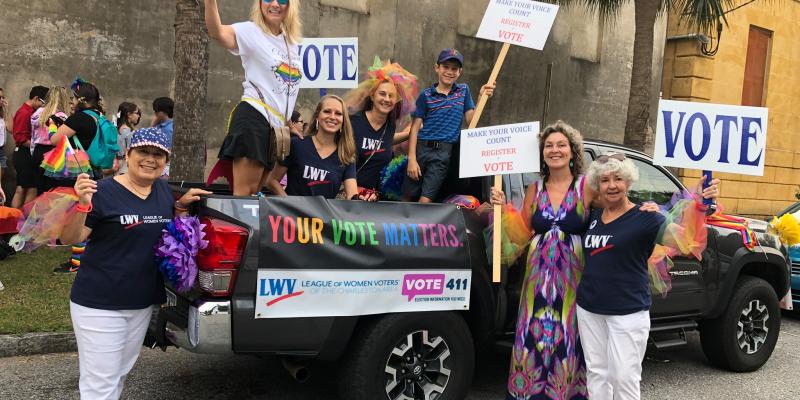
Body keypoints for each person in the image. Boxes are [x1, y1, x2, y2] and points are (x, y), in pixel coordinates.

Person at [60, 127, 210, 400]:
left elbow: (164, 229)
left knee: (118, 375)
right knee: (100, 383)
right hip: (100, 304)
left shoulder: (163, 191)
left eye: (158, 154)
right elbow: (69, 237)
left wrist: (180, 208)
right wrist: (81, 204)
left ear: (166, 161)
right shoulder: (101, 191)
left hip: (140, 302)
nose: (150, 159)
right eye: (143, 152)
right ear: (128, 154)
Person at [576, 154, 716, 400]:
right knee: (597, 373)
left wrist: (701, 206)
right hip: (589, 308)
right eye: (605, 180)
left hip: (628, 311)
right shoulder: (593, 217)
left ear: (628, 182)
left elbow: (686, 241)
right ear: (598, 185)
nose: (611, 185)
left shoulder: (647, 216)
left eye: (618, 178)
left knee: (624, 378)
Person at [206, 0, 303, 196]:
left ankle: (248, 227)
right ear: (259, 4)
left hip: (276, 128)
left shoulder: (290, 42)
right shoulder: (250, 31)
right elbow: (217, 32)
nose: (275, 4)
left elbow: (283, 89)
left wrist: (288, 123)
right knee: (245, 194)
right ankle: (242, 227)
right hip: (254, 116)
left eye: (282, 0)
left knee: (256, 192)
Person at [401, 49, 494, 203]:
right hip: (421, 149)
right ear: (437, 67)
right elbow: (415, 128)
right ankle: (399, 227)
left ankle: (417, 228)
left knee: (425, 200)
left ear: (460, 72)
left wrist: (480, 98)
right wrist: (412, 158)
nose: (450, 72)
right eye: (446, 67)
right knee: (407, 195)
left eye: (454, 68)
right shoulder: (426, 95)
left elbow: (472, 122)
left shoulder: (463, 91)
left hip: (443, 153)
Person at [50, 80, 105, 273]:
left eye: (73, 98)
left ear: (82, 100)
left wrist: (52, 126)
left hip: (80, 171)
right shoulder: (99, 116)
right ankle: (85, 257)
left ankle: (76, 262)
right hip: (95, 168)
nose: (71, 102)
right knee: (89, 213)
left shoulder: (79, 118)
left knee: (78, 214)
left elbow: (55, 140)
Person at [343, 58, 418, 196]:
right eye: (382, 94)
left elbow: (386, 141)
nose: (387, 99)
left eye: (391, 96)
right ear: (372, 96)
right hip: (349, 196)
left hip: (374, 198)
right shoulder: (354, 122)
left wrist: (411, 132)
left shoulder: (389, 126)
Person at [266, 95, 360, 199]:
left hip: (325, 215)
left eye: (338, 113)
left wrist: (366, 197)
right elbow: (271, 181)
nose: (332, 117)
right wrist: (290, 203)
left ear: (343, 121)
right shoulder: (296, 144)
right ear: (317, 116)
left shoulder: (346, 155)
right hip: (293, 214)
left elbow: (352, 196)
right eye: (327, 111)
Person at [11, 85, 48, 209]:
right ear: (36, 98)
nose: (43, 107)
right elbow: (21, 138)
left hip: (25, 154)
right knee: (30, 189)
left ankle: (16, 221)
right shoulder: (25, 113)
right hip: (24, 154)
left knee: (23, 188)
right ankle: (22, 221)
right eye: (43, 103)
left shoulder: (29, 112)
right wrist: (37, 147)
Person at [31, 85, 72, 194]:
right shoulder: (62, 116)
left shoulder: (38, 113)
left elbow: (33, 136)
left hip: (38, 151)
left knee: (40, 189)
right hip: (53, 153)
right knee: (52, 190)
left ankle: (38, 210)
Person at [115, 102, 141, 176]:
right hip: (124, 165)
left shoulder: (117, 128)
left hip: (119, 163)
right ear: (129, 115)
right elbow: (131, 150)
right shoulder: (126, 131)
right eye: (136, 113)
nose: (138, 116)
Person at [0, 87, 9, 203]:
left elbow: (11, 128)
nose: (1, 100)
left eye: (2, 97)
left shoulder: (2, 116)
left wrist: (7, 110)